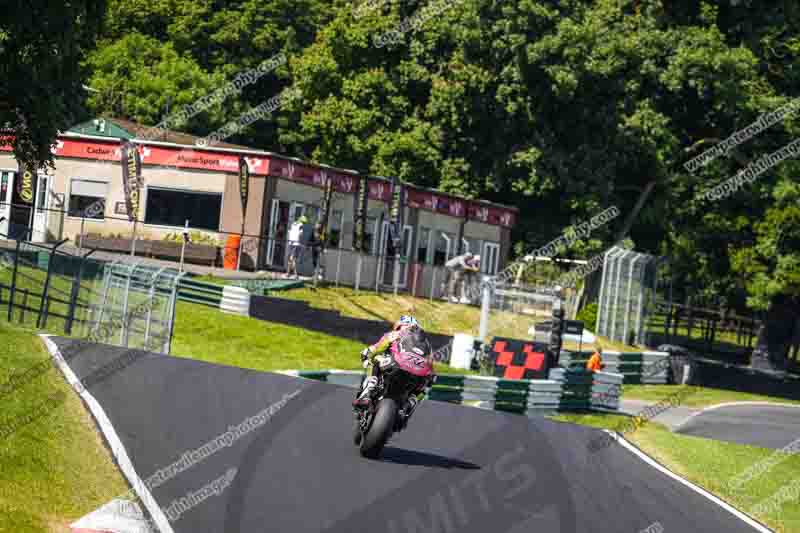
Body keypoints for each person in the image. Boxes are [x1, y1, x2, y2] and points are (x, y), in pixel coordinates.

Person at [353, 316, 434, 422]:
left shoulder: (396, 334)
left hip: (396, 366)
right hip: (418, 374)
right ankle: (410, 403)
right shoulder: (427, 344)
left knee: (374, 360)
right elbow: (431, 365)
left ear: (400, 325)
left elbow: (378, 347)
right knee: (426, 385)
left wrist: (366, 353)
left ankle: (367, 393)